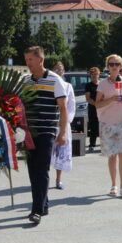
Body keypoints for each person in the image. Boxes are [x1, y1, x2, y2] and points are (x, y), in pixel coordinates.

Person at [23, 46, 68, 225]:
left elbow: (63, 108)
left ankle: (36, 210)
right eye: (26, 61)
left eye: (30, 60)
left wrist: (63, 132)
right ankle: (44, 204)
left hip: (46, 132)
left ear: (40, 60)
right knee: (33, 170)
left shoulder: (55, 80)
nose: (28, 64)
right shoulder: (26, 81)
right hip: (29, 132)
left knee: (41, 169)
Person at [95, 54, 122, 198]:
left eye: (117, 64)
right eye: (111, 64)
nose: (114, 67)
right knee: (112, 156)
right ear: (107, 67)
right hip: (107, 123)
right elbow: (97, 104)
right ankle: (114, 185)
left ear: (121, 66)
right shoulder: (102, 84)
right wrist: (111, 99)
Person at [51, 62, 75, 190]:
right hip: (50, 123)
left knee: (61, 151)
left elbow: (71, 105)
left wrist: (66, 121)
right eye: (56, 69)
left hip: (62, 124)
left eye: (61, 69)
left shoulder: (68, 86)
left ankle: (58, 180)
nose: (59, 72)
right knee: (48, 151)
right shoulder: (50, 84)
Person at [84, 67, 101, 150]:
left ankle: (104, 143)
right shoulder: (88, 85)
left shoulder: (102, 84)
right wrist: (96, 104)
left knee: (103, 126)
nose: (94, 76)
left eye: (96, 74)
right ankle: (92, 144)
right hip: (93, 109)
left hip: (103, 108)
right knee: (93, 127)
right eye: (92, 75)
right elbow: (88, 98)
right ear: (90, 76)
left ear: (99, 75)